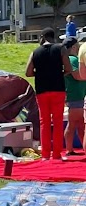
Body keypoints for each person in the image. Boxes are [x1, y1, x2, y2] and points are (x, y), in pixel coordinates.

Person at [26, 28, 73, 161]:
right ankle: (57, 154)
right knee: (57, 121)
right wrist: (59, 74)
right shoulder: (61, 48)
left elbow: (28, 72)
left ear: (42, 37)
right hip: (58, 89)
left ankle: (46, 154)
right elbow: (68, 68)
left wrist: (40, 74)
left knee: (44, 122)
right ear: (53, 37)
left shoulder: (35, 52)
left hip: (42, 90)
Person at [63, 38, 85, 155]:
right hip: (76, 95)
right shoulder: (73, 59)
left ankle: (72, 148)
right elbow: (77, 75)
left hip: (76, 95)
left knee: (80, 124)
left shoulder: (69, 59)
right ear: (74, 47)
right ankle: (69, 149)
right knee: (73, 124)